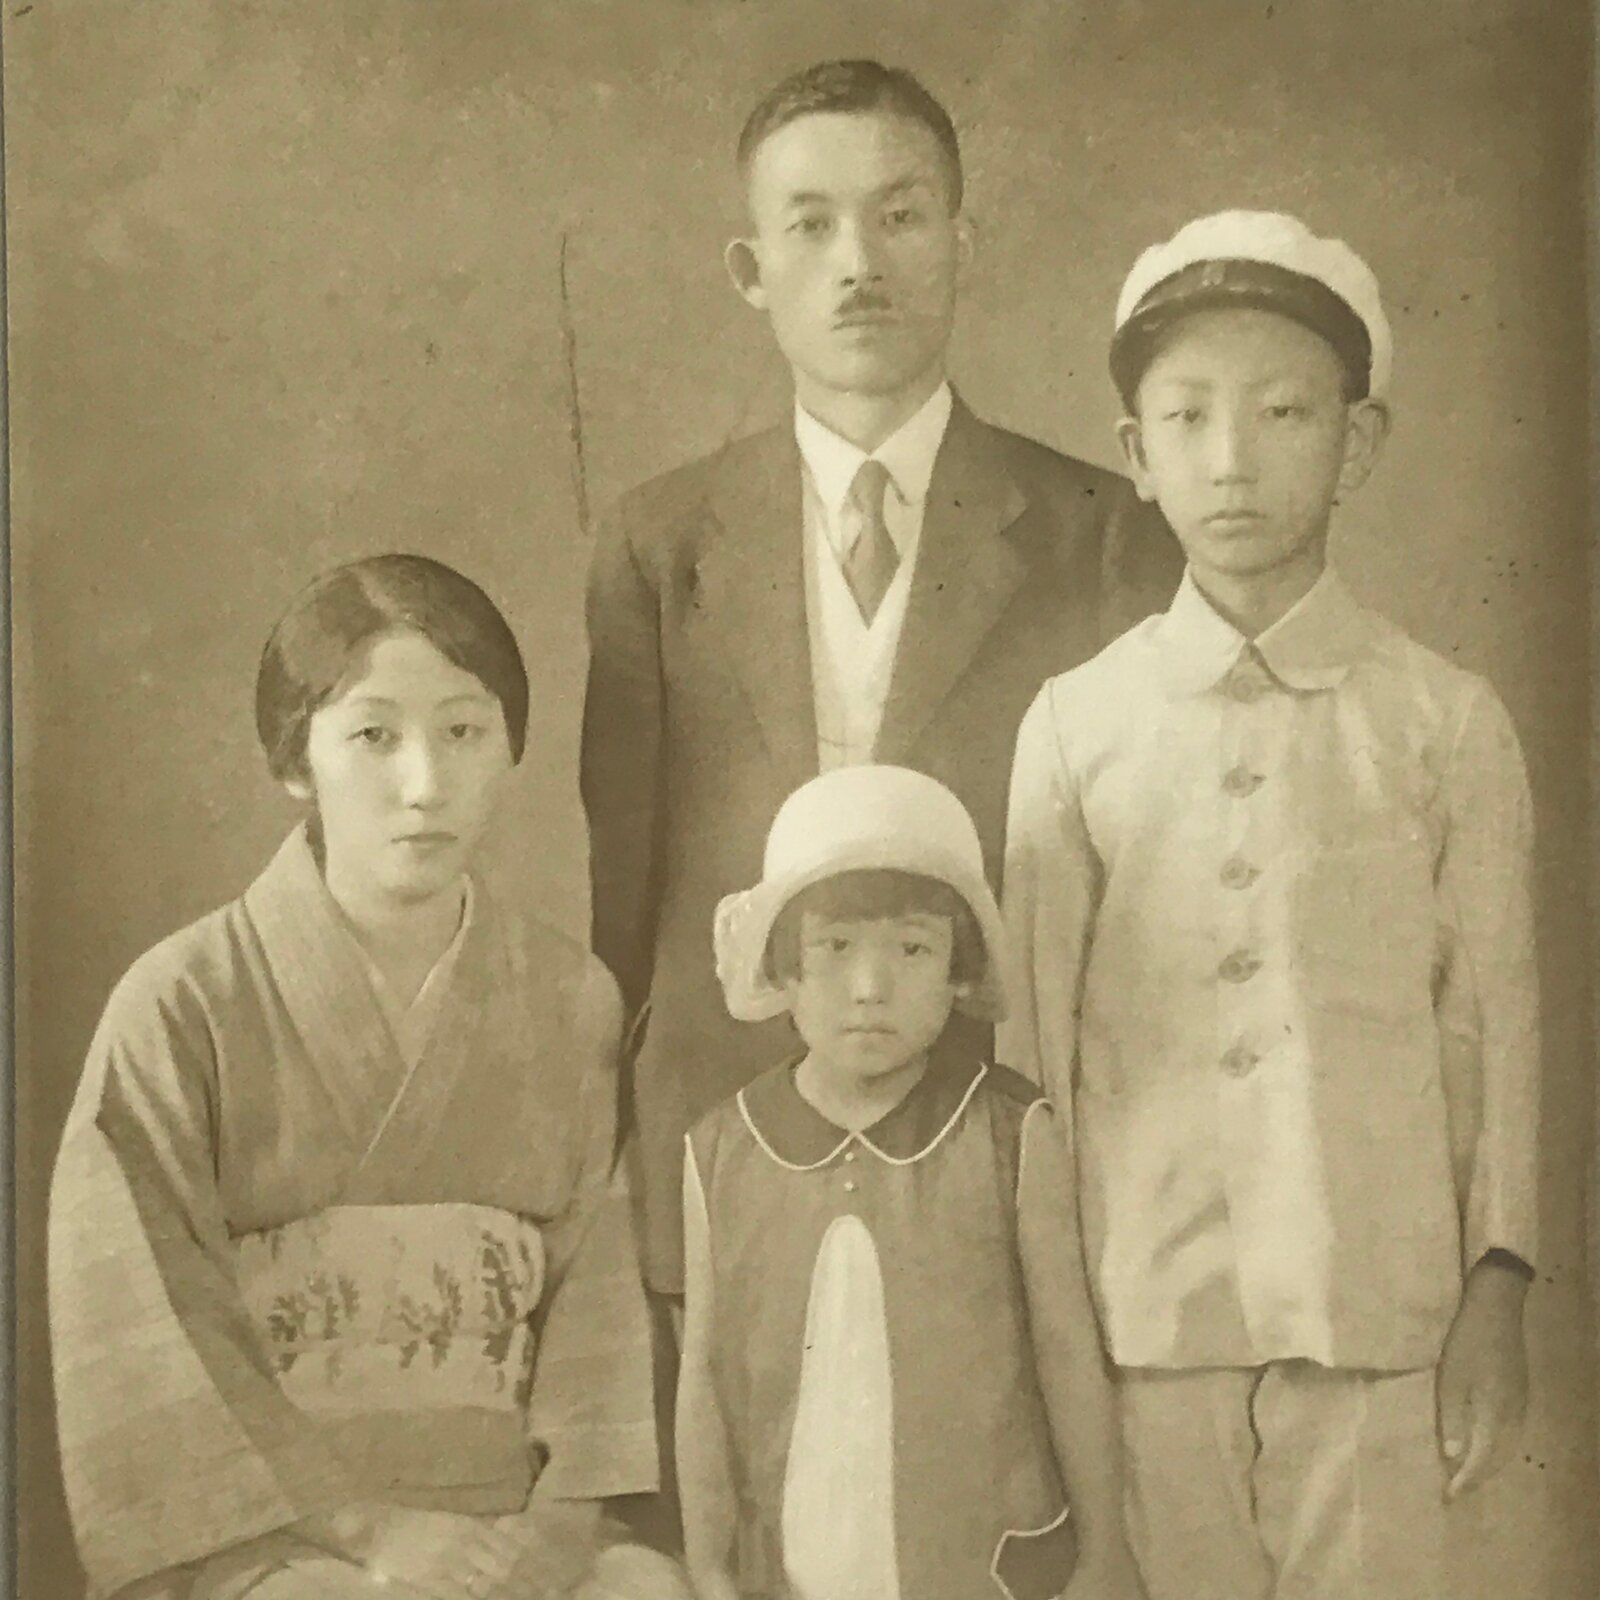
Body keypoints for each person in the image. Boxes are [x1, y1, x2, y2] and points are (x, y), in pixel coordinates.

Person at [580, 58, 1181, 1305]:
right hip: (725, 1134)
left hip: (993, 1140)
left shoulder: (1102, 531)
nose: (859, 262)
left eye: (899, 216)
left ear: (962, 243)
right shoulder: (658, 540)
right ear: (752, 271)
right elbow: (625, 902)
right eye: (811, 224)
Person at [1002, 211, 1541, 1600]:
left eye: (1286, 412)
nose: (1232, 460)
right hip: (1148, 1323)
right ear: (1136, 455)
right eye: (1187, 417)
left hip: (1375, 1314)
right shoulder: (1075, 728)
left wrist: (1498, 1287)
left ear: (1359, 443)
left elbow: (1497, 1032)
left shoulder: (1441, 724)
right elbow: (1038, 1068)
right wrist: (1053, 1338)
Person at [49, 555, 689, 1600]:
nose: (425, 783)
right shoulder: (182, 1002)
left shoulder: (570, 1001)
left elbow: (598, 1304)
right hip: (274, 1529)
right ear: (295, 758)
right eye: (373, 734)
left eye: (464, 731)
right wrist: (364, 1527)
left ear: (510, 745)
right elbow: (144, 1323)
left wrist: (560, 1526)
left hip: (508, 1519)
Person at [676, 765, 1140, 1600]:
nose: (869, 988)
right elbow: (704, 1383)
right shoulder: (722, 1148)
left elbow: (1068, 1354)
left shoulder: (1008, 1130)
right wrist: (710, 1569)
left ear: (961, 971)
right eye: (836, 947)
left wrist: (1104, 1550)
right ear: (784, 965)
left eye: (913, 948)